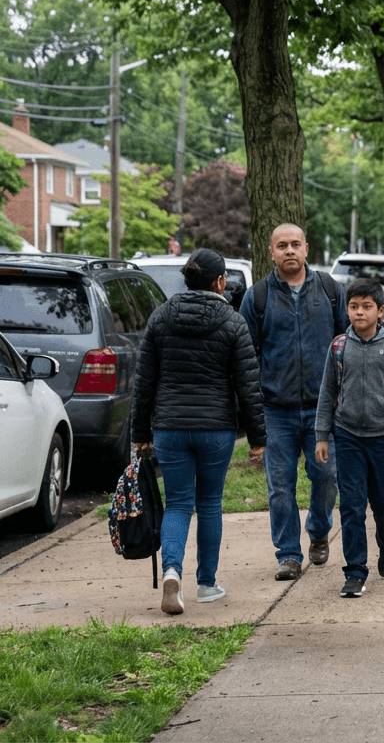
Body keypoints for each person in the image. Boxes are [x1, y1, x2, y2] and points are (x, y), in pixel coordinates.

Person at [132, 249, 265, 615]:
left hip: (170, 427)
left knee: (177, 503)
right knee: (209, 503)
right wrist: (257, 438)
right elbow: (248, 385)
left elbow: (144, 381)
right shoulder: (232, 321)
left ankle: (173, 571)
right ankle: (207, 584)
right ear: (220, 281)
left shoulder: (160, 318)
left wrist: (139, 431)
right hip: (216, 429)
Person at [240, 223, 347, 582]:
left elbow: (347, 345)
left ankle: (318, 530)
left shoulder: (331, 292)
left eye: (295, 244)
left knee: (326, 476)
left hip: (322, 410)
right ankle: (288, 554)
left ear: (306, 248)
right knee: (280, 487)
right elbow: (245, 355)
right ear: (270, 252)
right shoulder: (257, 297)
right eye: (281, 245)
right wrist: (253, 403)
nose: (289, 251)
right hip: (276, 410)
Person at [315, 278, 384, 598]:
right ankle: (355, 570)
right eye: (353, 307)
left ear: (380, 310)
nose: (359, 313)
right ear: (346, 309)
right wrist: (322, 434)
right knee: (351, 505)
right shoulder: (339, 347)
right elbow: (327, 395)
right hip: (347, 435)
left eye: (366, 307)